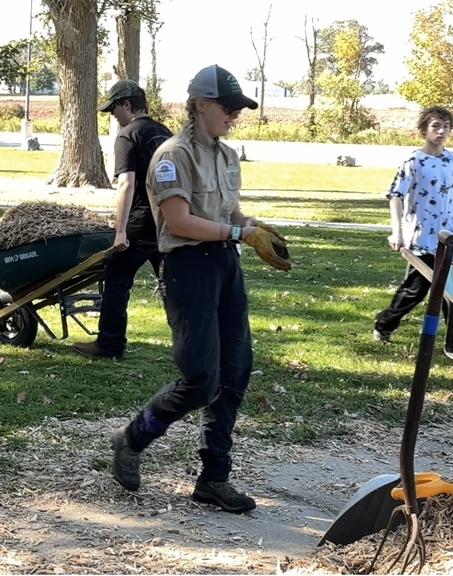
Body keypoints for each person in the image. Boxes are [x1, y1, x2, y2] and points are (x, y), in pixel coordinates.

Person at [109, 64, 291, 514]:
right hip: (188, 266)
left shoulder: (226, 155)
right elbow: (179, 221)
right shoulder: (172, 155)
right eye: (228, 107)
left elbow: (228, 212)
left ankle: (214, 478)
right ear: (200, 105)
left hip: (225, 265)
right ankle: (134, 437)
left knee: (235, 372)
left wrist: (251, 225)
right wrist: (239, 235)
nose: (235, 114)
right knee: (199, 378)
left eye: (238, 108)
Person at [72, 80, 173, 360]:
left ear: (127, 104)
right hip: (169, 223)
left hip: (140, 224)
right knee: (174, 287)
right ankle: (196, 346)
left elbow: (126, 184)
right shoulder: (166, 134)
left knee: (117, 279)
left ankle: (109, 344)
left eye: (114, 108)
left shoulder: (128, 136)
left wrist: (120, 231)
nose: (113, 115)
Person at [373, 105, 453, 359]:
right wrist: (396, 232)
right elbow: (395, 196)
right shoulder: (413, 161)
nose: (442, 131)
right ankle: (384, 325)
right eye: (436, 126)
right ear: (424, 130)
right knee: (415, 290)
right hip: (422, 238)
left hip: (452, 236)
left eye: (446, 127)